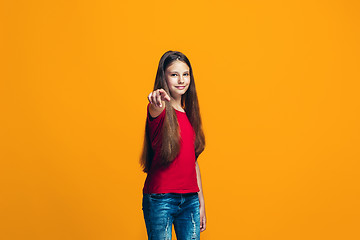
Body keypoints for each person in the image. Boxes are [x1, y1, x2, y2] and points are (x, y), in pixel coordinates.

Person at [140, 50, 206, 240]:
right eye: (174, 74)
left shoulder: (189, 114)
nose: (181, 80)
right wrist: (156, 99)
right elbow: (155, 105)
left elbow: (193, 162)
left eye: (185, 74)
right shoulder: (159, 109)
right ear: (164, 77)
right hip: (161, 199)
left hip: (191, 200)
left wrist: (201, 202)